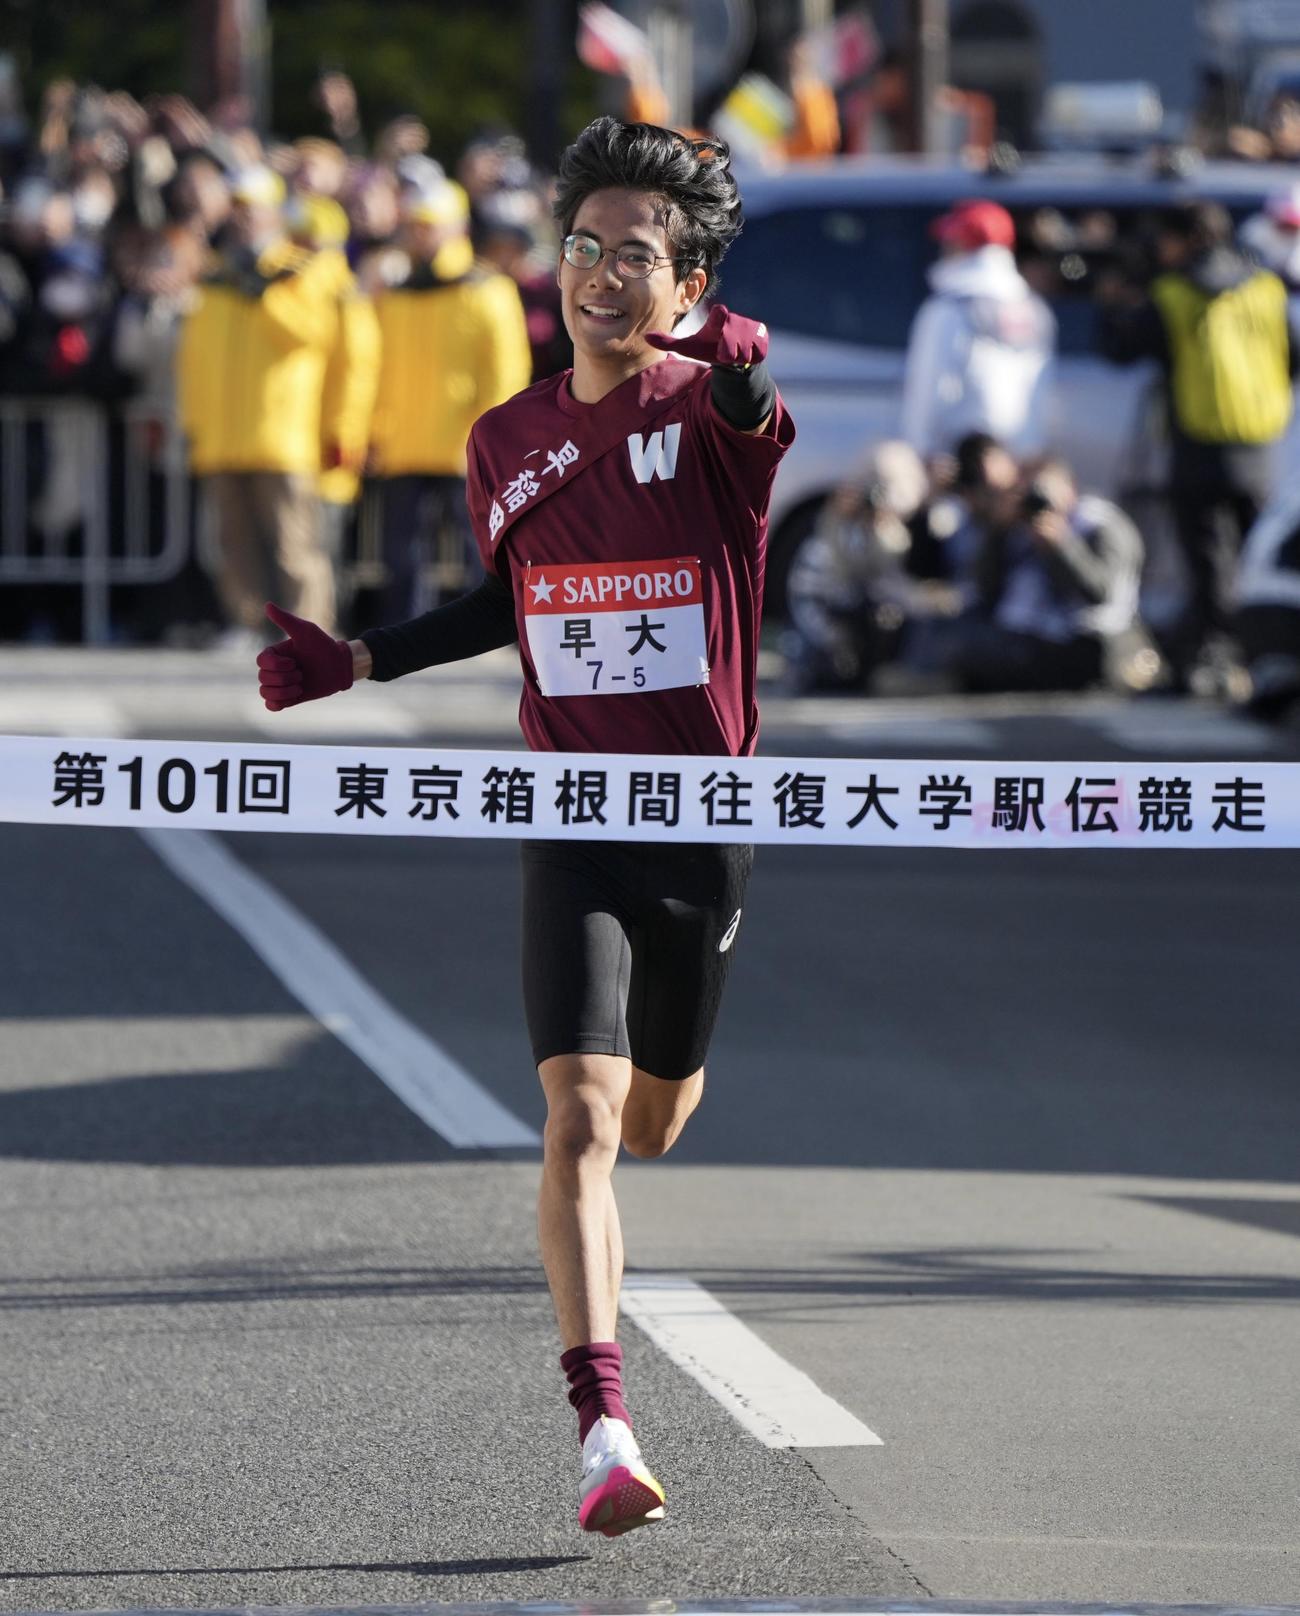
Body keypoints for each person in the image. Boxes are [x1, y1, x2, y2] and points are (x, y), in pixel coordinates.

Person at [253, 116, 792, 1538]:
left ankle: (613, 1332)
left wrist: (737, 377)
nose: (603, 274)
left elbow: (749, 420)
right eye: (583, 246)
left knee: (661, 1119)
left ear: (686, 286)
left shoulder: (711, 411)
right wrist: (360, 658)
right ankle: (602, 1421)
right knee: (580, 1115)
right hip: (570, 813)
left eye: (638, 256)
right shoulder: (507, 438)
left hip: (701, 817)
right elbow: (515, 598)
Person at [1099, 201, 1298, 689]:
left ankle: (1211, 656)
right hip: (1260, 441)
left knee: (1208, 557)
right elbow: (1293, 356)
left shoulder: (1173, 293)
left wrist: (1110, 301)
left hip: (1198, 442)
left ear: (1185, 239)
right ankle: (1258, 653)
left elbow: (1121, 349)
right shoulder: (1266, 287)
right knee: (1255, 557)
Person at [176, 164, 351, 641]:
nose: (243, 219)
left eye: (252, 209)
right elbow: (195, 356)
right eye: (237, 209)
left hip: (282, 430)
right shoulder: (216, 275)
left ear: (275, 212)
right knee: (233, 540)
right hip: (225, 432)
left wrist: (267, 294)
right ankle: (247, 622)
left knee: (294, 543)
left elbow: (312, 336)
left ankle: (310, 627)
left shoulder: (301, 270)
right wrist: (194, 421)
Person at [368, 178, 531, 621]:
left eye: (429, 225)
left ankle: (483, 628)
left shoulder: (486, 289)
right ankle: (405, 630)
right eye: (414, 225)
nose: (419, 234)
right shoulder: (397, 291)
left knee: (477, 549)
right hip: (404, 442)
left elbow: (504, 372)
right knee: (400, 550)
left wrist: (490, 438)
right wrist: (375, 429)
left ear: (455, 227)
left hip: (463, 445)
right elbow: (376, 367)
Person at [946, 455, 1146, 694]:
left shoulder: (1097, 525)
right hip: (1028, 638)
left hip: (1092, 642)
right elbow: (986, 590)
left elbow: (1101, 594)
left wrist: (1062, 546)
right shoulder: (1019, 528)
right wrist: (998, 531)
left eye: (1042, 491)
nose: (1037, 504)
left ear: (1070, 488)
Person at [900, 198, 1057, 463]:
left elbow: (930, 391)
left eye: (950, 240)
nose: (944, 248)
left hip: (959, 463)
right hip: (1019, 465)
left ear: (962, 243)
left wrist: (920, 452)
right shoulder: (1035, 309)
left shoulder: (948, 310)